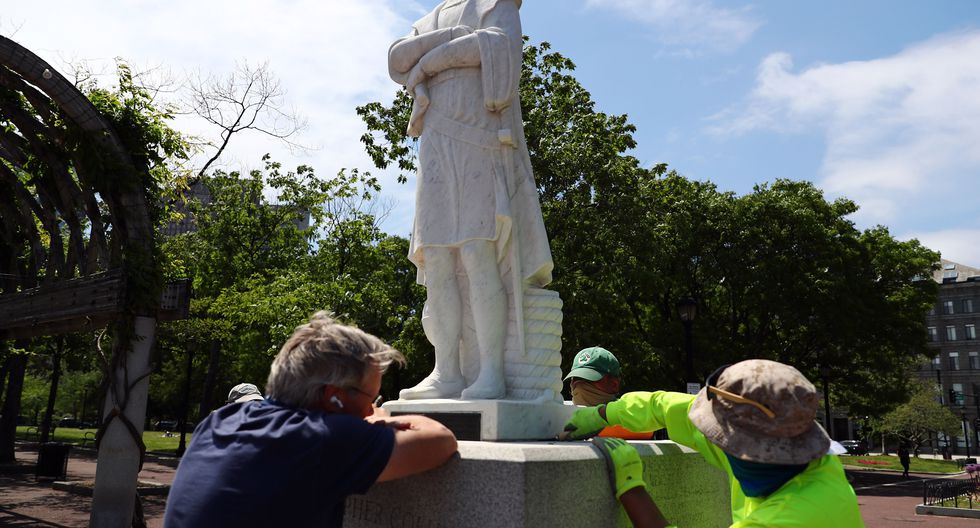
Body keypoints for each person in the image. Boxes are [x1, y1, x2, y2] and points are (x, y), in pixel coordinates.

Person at [388, 0, 554, 401]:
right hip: (436, 144)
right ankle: (447, 371)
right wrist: (449, 43)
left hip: (479, 138)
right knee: (439, 256)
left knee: (478, 253)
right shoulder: (432, 17)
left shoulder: (496, 4)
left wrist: (428, 63)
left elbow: (497, 47)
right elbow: (397, 60)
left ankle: (492, 372)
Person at [163, 312, 458, 527]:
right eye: (371, 398)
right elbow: (440, 439)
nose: (372, 410)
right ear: (334, 396)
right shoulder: (320, 438)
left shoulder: (220, 421)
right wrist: (380, 417)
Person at [561, 359, 864, 527]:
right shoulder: (811, 463)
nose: (714, 441)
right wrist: (602, 414)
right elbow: (662, 405)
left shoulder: (788, 519)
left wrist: (631, 488)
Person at [564, 346, 654, 440]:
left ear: (614, 385)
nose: (578, 386)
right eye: (576, 378)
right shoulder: (559, 413)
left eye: (589, 379)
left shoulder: (633, 417)